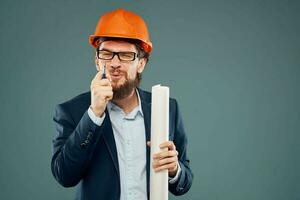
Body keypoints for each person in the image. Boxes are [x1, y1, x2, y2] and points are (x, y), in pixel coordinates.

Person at [51, 8, 193, 200]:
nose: (115, 63)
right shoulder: (72, 112)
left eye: (126, 55)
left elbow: (183, 184)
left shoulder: (167, 108)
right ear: (96, 61)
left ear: (141, 63)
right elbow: (64, 176)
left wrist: (174, 169)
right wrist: (94, 114)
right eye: (107, 54)